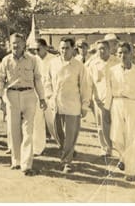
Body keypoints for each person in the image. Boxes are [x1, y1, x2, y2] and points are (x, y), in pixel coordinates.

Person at [0, 33, 47, 176]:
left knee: (28, 131)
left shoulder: (32, 60)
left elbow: (38, 80)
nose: (16, 45)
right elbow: (0, 79)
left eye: (19, 42)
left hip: (29, 95)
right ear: (9, 44)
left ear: (24, 44)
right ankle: (16, 161)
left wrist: (42, 98)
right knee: (13, 130)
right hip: (12, 96)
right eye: (13, 42)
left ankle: (26, 164)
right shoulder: (6, 60)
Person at [45, 37, 91, 174]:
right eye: (62, 48)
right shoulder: (53, 63)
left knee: (71, 134)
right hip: (56, 103)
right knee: (57, 132)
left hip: (73, 104)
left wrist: (85, 105)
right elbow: (47, 81)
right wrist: (49, 95)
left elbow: (85, 86)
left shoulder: (78, 66)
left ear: (73, 49)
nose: (64, 51)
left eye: (67, 48)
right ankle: (68, 149)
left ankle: (67, 162)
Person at [105, 42, 135, 182]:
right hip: (116, 104)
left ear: (131, 54)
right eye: (120, 53)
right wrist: (107, 109)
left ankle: (130, 171)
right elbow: (108, 91)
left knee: (132, 138)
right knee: (116, 136)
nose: (123, 55)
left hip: (133, 105)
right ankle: (123, 157)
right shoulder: (112, 71)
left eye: (125, 52)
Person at [87, 40, 119, 157]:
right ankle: (106, 149)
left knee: (116, 123)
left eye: (104, 48)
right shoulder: (93, 64)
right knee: (101, 125)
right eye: (99, 48)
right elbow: (89, 82)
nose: (101, 51)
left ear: (109, 49)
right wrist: (91, 97)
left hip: (115, 98)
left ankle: (118, 147)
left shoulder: (117, 62)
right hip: (99, 98)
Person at [30, 39, 55, 156]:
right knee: (37, 122)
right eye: (34, 49)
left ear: (45, 48)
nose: (36, 51)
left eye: (38, 49)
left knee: (53, 122)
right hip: (38, 95)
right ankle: (38, 148)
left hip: (51, 95)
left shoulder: (54, 60)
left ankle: (64, 144)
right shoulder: (33, 60)